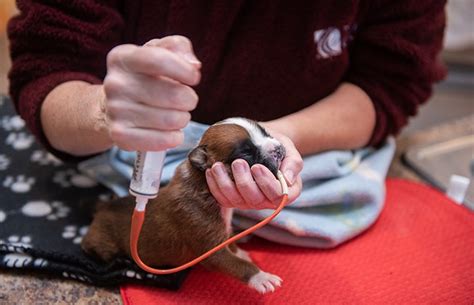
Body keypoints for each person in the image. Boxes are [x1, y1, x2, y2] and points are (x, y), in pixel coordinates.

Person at [8, 1, 446, 210]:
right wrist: (103, 110)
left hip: (318, 178)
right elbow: (48, 71)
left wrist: (281, 138)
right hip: (101, 177)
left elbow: (390, 82)